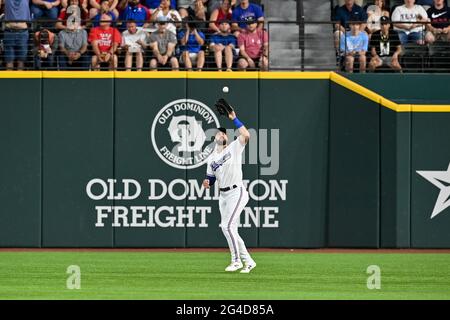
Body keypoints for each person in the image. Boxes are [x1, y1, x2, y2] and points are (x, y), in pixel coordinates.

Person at [202, 100, 256, 274]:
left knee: (227, 227)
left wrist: (234, 118)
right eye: (219, 133)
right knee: (229, 228)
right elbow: (210, 179)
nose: (221, 135)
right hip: (223, 196)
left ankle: (236, 261)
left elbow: (246, 135)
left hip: (237, 191)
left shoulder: (234, 148)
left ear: (227, 138)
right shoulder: (211, 159)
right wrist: (206, 183)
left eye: (224, 134)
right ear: (215, 137)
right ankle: (248, 261)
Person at [2, 0, 31, 70]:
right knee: (9, 60)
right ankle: (8, 80)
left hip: (23, 32)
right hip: (9, 32)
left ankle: (20, 80)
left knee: (21, 61)